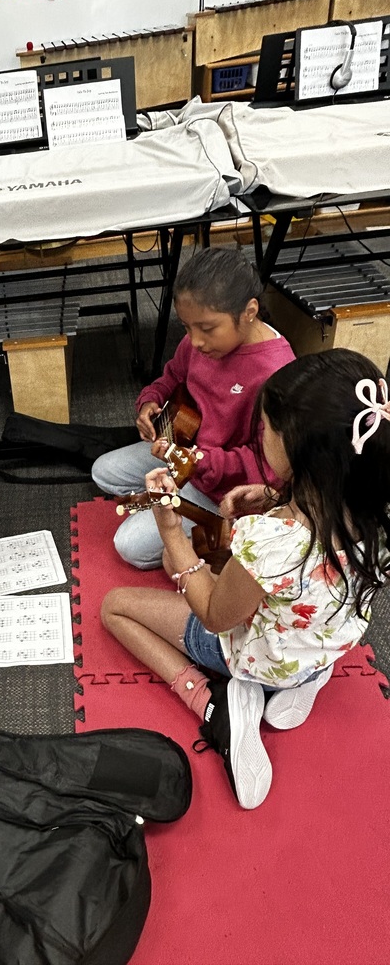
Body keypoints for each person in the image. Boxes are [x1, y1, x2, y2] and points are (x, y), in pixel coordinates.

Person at [100, 349, 390, 809]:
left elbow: (216, 617)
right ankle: (308, 679)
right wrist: (276, 495)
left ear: (297, 450)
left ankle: (212, 704)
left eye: (266, 429)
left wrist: (170, 530)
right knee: (190, 564)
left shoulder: (274, 539)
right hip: (321, 646)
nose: (261, 436)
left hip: (256, 655)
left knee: (116, 605)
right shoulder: (378, 509)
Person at [92, 247, 295, 569]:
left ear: (249, 311)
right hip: (185, 453)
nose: (196, 341)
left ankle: (225, 529)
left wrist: (200, 462)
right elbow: (174, 375)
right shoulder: (200, 341)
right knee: (102, 471)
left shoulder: (277, 373)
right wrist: (150, 400)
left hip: (224, 484)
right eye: (187, 327)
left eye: (207, 329)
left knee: (129, 547)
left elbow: (268, 464)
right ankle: (173, 504)